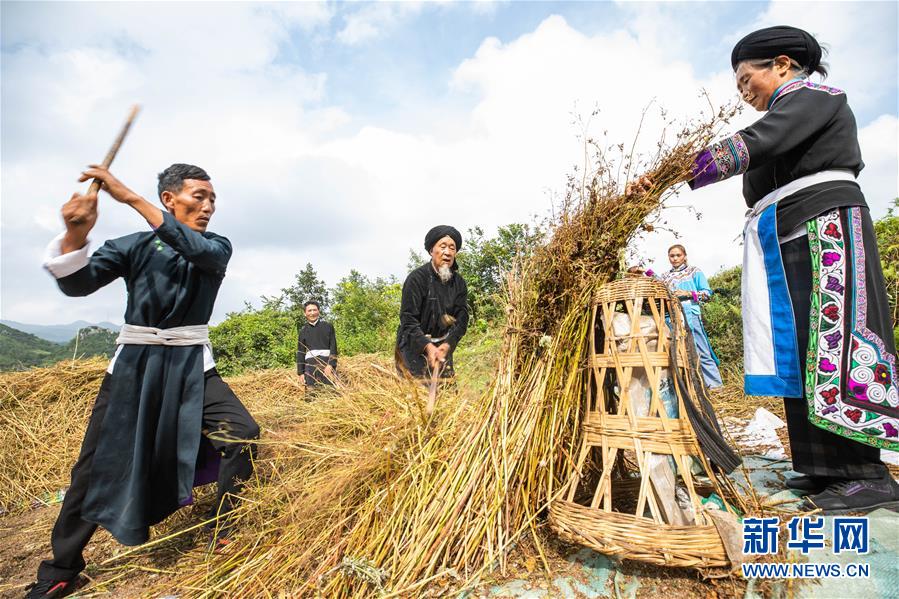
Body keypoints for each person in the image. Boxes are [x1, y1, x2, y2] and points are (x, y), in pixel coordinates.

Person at [630, 26, 898, 512]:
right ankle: (822, 468)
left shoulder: (815, 96)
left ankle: (865, 474)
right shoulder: (784, 113)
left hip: (826, 228)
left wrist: (674, 171)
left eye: (745, 77)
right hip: (786, 233)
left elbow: (757, 142)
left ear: (781, 64)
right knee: (799, 350)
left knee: (835, 345)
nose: (742, 90)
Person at [27, 164, 259, 598]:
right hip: (135, 365)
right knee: (93, 467)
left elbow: (196, 250)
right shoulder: (132, 246)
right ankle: (61, 568)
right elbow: (78, 284)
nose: (208, 206)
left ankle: (227, 528)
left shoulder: (214, 247)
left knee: (241, 433)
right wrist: (76, 234)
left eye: (212, 199)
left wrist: (129, 197)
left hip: (191, 362)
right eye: (198, 197)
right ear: (170, 199)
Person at [396, 226, 469, 379]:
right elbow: (408, 320)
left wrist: (447, 345)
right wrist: (427, 346)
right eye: (443, 247)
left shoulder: (459, 283)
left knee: (446, 395)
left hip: (442, 348)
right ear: (431, 250)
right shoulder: (416, 279)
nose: (448, 252)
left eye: (452, 248)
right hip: (413, 347)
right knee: (416, 395)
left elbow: (462, 320)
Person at [659, 244, 724, 389]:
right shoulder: (665, 277)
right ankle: (692, 387)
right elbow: (655, 283)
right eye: (672, 256)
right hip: (673, 318)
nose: (675, 258)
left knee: (701, 349)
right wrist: (644, 272)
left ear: (684, 256)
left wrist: (688, 294)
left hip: (691, 315)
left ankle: (715, 386)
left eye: (678, 255)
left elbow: (707, 293)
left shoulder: (694, 272)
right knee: (680, 352)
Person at [296, 300, 338, 388]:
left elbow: (333, 346)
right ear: (305, 313)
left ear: (318, 311)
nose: (312, 313)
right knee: (311, 395)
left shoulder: (328, 326)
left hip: (326, 363)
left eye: (314, 310)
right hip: (310, 366)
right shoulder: (303, 331)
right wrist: (301, 373)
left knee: (330, 393)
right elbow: (301, 352)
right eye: (309, 311)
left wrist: (331, 365)